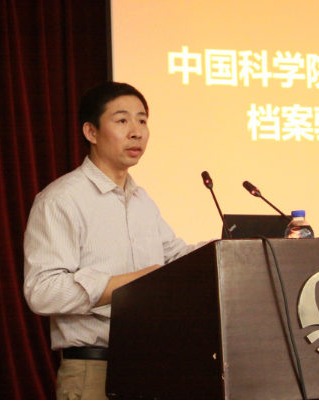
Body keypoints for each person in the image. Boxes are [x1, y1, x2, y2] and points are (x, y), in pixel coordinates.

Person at [23, 82, 202, 399]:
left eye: (142, 120)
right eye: (122, 120)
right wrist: (133, 283)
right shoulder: (61, 199)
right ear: (91, 132)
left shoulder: (142, 200)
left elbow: (175, 258)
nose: (136, 132)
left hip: (154, 366)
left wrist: (232, 248)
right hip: (94, 371)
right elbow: (42, 291)